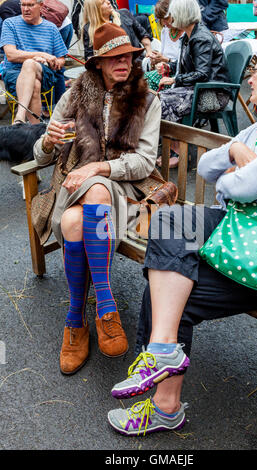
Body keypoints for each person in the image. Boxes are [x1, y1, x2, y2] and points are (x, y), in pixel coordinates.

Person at [107, 40, 257, 436]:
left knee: (172, 295)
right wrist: (233, 156)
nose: (250, 74)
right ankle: (162, 353)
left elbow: (241, 188)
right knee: (168, 223)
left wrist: (233, 176)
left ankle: (165, 404)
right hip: (238, 230)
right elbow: (210, 165)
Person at [32, 23, 161, 375]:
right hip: (73, 182)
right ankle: (100, 308)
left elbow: (144, 162)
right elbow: (40, 154)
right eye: (113, 58)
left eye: (128, 56)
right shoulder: (74, 94)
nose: (123, 62)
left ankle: (80, 317)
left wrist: (100, 168)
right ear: (97, 64)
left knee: (86, 206)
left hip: (123, 186)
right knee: (83, 202)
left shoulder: (147, 100)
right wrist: (48, 142)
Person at [157, 0, 230, 168]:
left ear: (182, 15)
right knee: (157, 99)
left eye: (173, 14)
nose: (171, 18)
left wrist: (175, 79)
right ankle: (176, 148)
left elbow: (202, 74)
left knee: (162, 102)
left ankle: (180, 153)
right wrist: (169, 67)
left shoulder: (200, 38)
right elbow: (189, 65)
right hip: (202, 89)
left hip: (213, 94)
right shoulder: (191, 35)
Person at [0, 0, 68, 124]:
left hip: (45, 74)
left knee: (29, 63)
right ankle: (36, 131)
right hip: (14, 74)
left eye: (30, 5)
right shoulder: (10, 23)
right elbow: (10, 55)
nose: (26, 9)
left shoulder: (51, 28)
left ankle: (20, 117)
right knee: (34, 84)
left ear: (41, 6)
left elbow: (61, 58)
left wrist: (52, 62)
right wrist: (41, 55)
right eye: (23, 5)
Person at [82, 0, 152, 63]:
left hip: (136, 62)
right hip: (110, 68)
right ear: (95, 9)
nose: (108, 2)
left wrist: (149, 51)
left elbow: (143, 35)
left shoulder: (124, 14)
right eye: (103, 2)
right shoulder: (88, 29)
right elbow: (89, 56)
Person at [144, 0, 183, 92]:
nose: (165, 23)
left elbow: (185, 63)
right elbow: (163, 54)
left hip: (179, 73)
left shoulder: (185, 33)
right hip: (165, 70)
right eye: (162, 19)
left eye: (166, 18)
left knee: (149, 81)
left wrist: (166, 60)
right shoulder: (165, 31)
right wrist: (156, 60)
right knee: (142, 81)